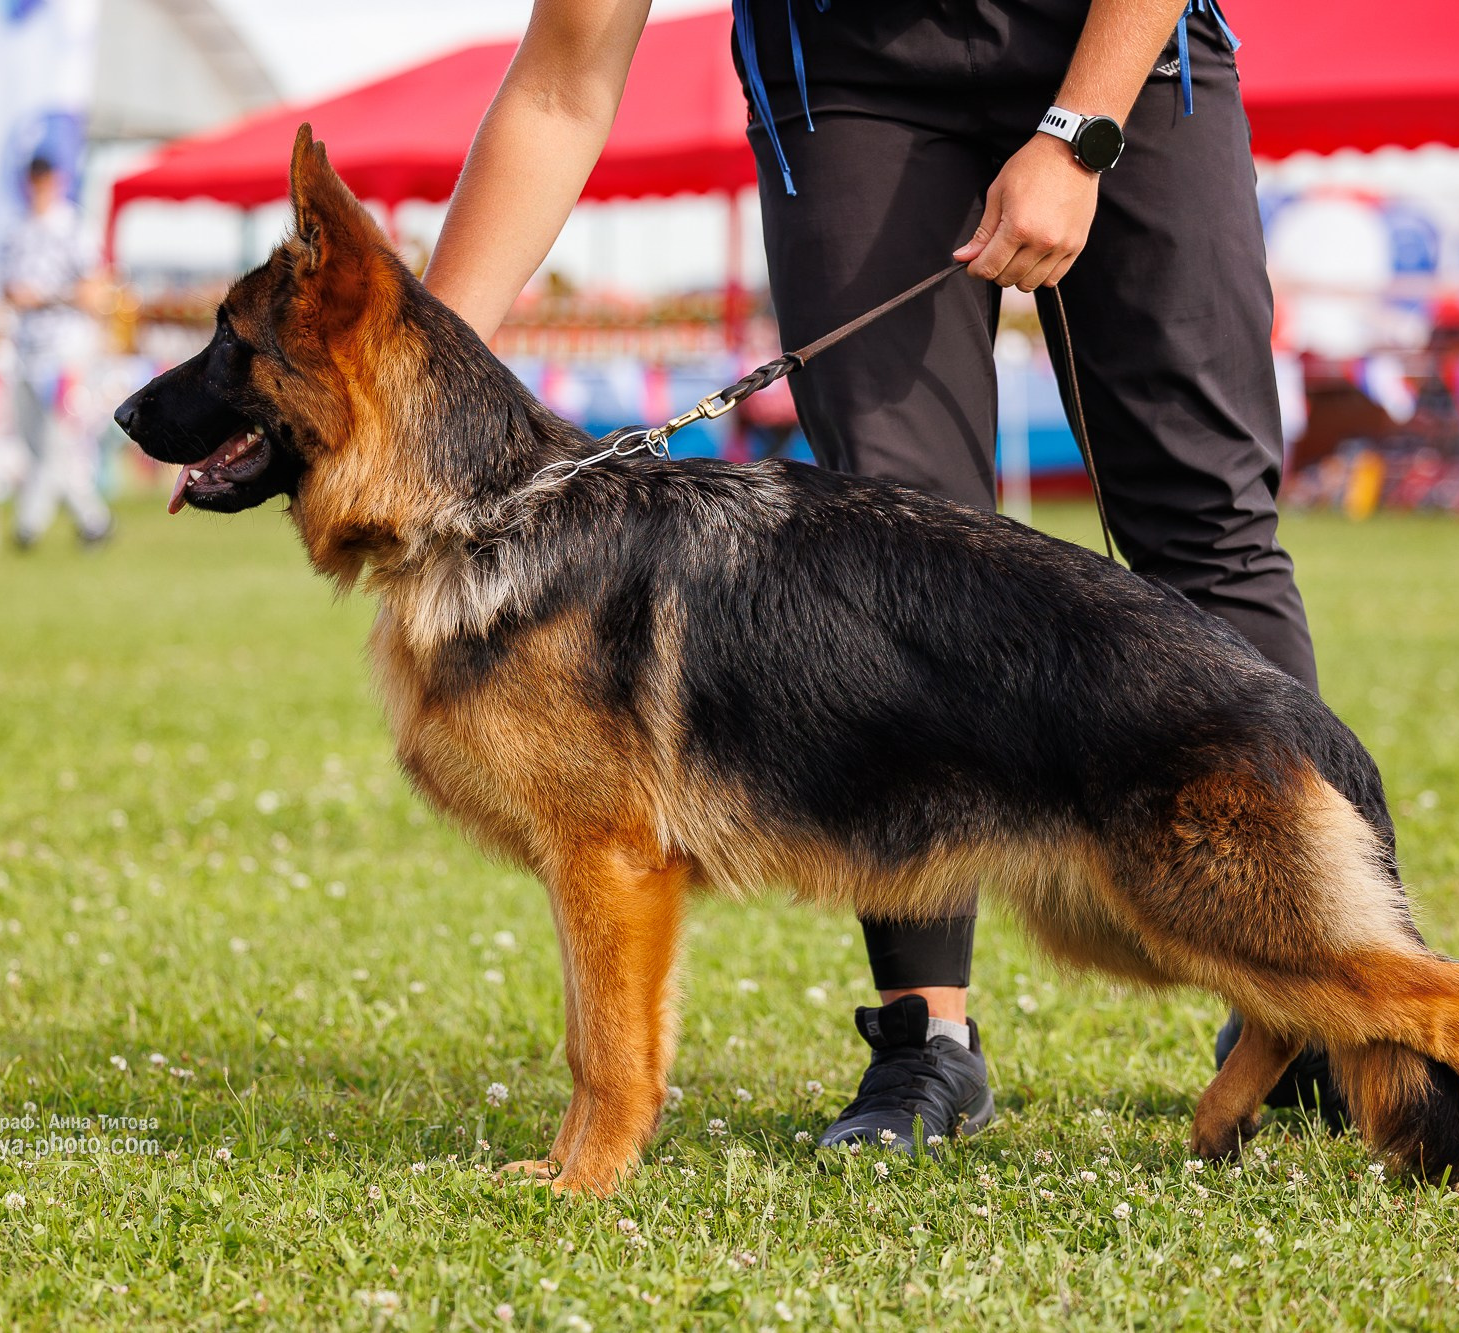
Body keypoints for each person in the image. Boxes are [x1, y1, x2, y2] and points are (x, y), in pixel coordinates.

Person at [423, 0, 1339, 1153]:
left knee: (1205, 519)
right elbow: (561, 87)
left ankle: (1319, 1003)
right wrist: (418, 370)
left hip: (1117, 45)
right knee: (896, 555)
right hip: (847, 78)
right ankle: (925, 1036)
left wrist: (1076, 133)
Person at [0, 155, 112, 550]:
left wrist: (43, 296)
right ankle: (93, 521)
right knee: (34, 443)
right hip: (25, 348)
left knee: (55, 440)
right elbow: (5, 287)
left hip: (65, 349)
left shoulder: (75, 227)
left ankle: (29, 526)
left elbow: (94, 290)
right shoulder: (17, 229)